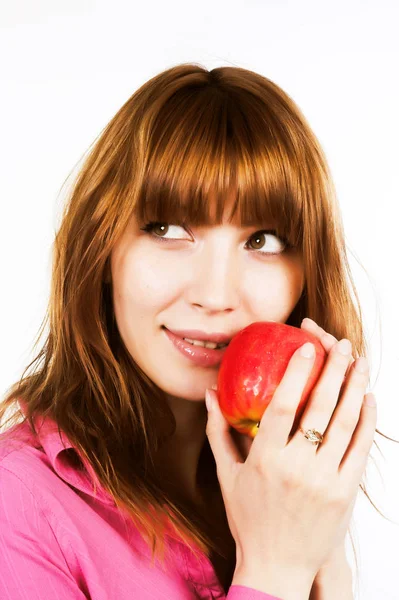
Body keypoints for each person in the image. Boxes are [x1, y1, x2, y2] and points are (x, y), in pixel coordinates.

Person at [0, 63, 380, 599]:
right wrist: (273, 573)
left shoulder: (285, 486)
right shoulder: (16, 507)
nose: (216, 294)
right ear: (100, 247)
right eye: (168, 230)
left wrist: (325, 563)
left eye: (264, 241)